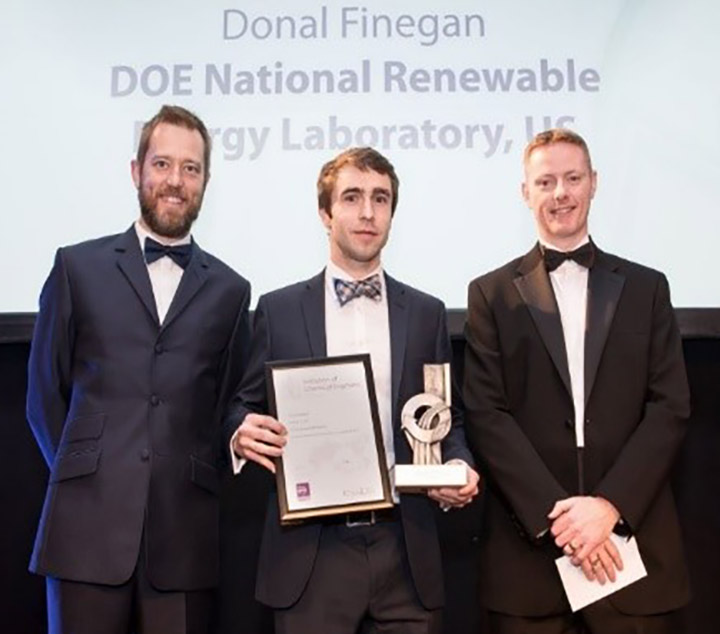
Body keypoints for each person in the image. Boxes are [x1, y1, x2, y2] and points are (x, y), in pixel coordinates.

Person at [224, 147, 480, 634]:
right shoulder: (278, 310)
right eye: (352, 197)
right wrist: (240, 433)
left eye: (380, 199)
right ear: (325, 212)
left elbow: (447, 417)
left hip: (407, 546)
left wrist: (459, 465)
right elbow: (242, 404)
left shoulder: (426, 313)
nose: (367, 212)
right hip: (311, 551)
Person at [26, 105, 251, 634]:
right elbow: (43, 394)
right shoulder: (76, 267)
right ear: (137, 171)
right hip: (85, 532)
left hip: (185, 540)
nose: (176, 181)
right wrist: (88, 476)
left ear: (205, 182)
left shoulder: (232, 289)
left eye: (191, 169)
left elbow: (225, 408)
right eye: (163, 164)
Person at [463, 128, 690, 633]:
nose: (560, 192)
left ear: (594, 183)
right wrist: (563, 522)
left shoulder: (648, 288)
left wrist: (609, 507)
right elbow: (485, 413)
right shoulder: (490, 294)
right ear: (526, 193)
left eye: (572, 178)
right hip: (529, 566)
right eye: (545, 181)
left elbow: (669, 407)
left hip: (633, 556)